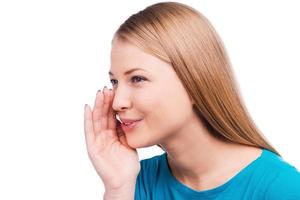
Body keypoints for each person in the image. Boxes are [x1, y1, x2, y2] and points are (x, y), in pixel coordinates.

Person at [84, 2, 300, 200]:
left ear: (195, 82)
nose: (117, 102)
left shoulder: (281, 187)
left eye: (137, 78)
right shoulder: (133, 181)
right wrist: (118, 188)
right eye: (114, 82)